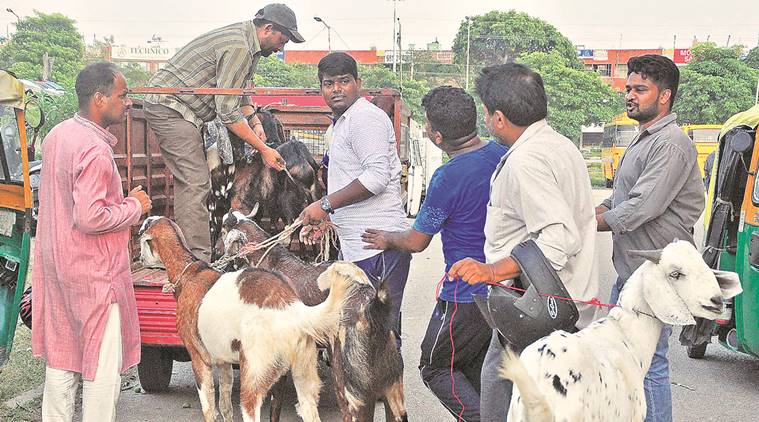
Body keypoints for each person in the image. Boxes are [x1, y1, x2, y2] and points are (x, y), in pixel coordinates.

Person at [447, 63, 599, 421]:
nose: (486, 121)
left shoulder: (526, 160)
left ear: (498, 118)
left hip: (539, 312)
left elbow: (558, 237)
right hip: (555, 306)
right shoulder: (559, 145)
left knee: (500, 387)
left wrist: (492, 270)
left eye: (486, 113)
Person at [362, 86, 505, 421]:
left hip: (466, 294)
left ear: (438, 136)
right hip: (504, 285)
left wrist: (387, 238)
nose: (425, 130)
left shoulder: (448, 177)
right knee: (475, 367)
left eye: (426, 126)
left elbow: (416, 240)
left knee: (435, 367)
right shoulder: (501, 156)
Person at [32, 62, 152, 422]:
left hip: (58, 270)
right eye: (123, 95)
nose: (128, 102)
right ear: (100, 99)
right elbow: (90, 217)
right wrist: (134, 206)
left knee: (62, 361)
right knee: (101, 370)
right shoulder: (96, 151)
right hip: (95, 277)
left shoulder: (57, 135)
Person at [144, 3, 303, 261]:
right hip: (170, 106)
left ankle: (194, 255)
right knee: (195, 182)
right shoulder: (239, 46)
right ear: (268, 29)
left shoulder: (250, 48)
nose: (281, 48)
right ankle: (195, 262)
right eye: (282, 40)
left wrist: (256, 124)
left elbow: (239, 94)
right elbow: (227, 112)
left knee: (197, 182)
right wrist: (263, 149)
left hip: (188, 112)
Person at [596, 54, 704, 422]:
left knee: (649, 364)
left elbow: (642, 206)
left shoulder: (670, 143)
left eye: (640, 89)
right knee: (624, 360)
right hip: (633, 272)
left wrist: (587, 225)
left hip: (655, 275)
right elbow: (618, 200)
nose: (630, 95)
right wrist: (582, 216)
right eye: (628, 88)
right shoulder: (642, 140)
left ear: (664, 96)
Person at [299, 52, 410, 345]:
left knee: (381, 337)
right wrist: (331, 220)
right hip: (360, 247)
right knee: (364, 335)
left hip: (379, 246)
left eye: (344, 81)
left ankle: (388, 392)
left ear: (358, 83)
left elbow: (376, 178)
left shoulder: (364, 119)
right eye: (328, 83)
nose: (336, 89)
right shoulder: (339, 124)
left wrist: (324, 205)